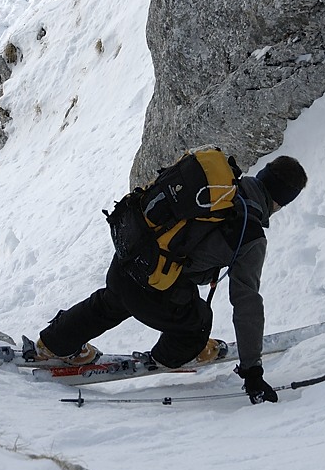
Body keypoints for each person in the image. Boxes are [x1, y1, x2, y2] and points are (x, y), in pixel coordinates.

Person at [29, 154, 307, 404]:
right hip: (152, 287)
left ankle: (53, 343)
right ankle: (174, 355)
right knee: (198, 323)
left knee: (112, 302)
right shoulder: (251, 233)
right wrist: (252, 372)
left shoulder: (216, 188)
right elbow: (247, 304)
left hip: (130, 256)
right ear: (280, 202)